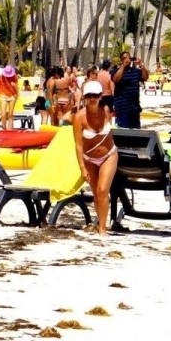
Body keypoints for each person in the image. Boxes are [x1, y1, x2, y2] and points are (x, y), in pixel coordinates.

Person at [74, 80, 117, 234]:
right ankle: (100, 222)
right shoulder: (79, 117)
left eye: (95, 95)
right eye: (89, 96)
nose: (92, 99)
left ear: (100, 96)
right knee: (96, 193)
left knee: (103, 189)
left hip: (108, 155)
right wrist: (82, 168)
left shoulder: (106, 110)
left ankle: (103, 229)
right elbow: (78, 145)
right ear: (84, 97)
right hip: (89, 158)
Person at [111, 52, 144, 129]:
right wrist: (123, 66)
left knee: (136, 133)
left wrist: (141, 65)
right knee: (124, 133)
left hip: (134, 108)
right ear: (121, 60)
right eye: (125, 58)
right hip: (122, 108)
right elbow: (115, 80)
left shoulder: (136, 71)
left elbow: (145, 77)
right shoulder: (116, 71)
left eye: (129, 58)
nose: (127, 60)